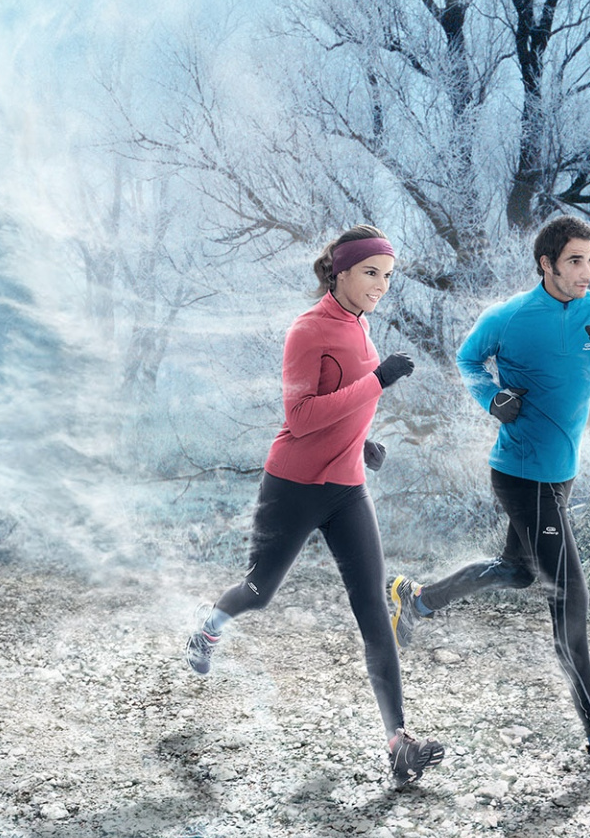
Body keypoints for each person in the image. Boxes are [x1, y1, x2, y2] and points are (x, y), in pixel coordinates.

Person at [385, 213, 590, 778]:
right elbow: (467, 360)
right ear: (547, 264)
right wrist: (490, 397)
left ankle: (416, 599)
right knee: (570, 596)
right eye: (575, 261)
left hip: (560, 474)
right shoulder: (508, 317)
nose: (586, 271)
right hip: (519, 472)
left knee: (516, 571)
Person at [185, 225, 444, 787]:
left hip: (348, 489)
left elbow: (343, 404)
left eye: (387, 276)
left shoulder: (361, 325)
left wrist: (362, 440)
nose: (380, 285)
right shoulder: (307, 330)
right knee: (259, 592)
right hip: (294, 486)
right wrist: (378, 381)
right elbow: (301, 416)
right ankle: (209, 628)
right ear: (341, 271)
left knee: (373, 610)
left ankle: (399, 743)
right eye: (370, 273)